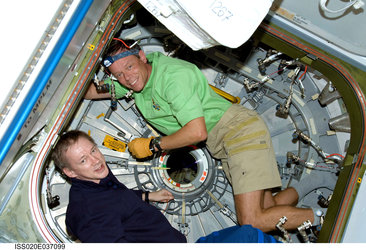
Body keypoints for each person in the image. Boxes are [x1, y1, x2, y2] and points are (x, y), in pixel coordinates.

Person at [84, 38, 320, 232]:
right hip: (226, 143)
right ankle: (317, 182)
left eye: (129, 67)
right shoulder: (134, 82)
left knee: (252, 222)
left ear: (142, 56)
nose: (127, 77)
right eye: (119, 75)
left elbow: (197, 132)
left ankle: (322, 220)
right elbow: (89, 92)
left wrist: (153, 145)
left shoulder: (172, 78)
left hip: (238, 132)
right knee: (270, 207)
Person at [51, 130, 187, 243]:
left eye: (93, 150)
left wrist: (147, 196)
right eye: (83, 160)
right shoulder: (89, 215)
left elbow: (116, 198)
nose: (96, 160)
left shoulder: (96, 177)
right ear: (70, 172)